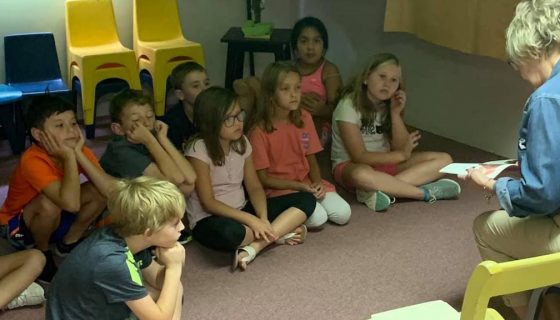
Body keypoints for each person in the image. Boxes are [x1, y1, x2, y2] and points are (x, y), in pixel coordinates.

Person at [467, 1, 560, 318]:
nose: (517, 69)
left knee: (486, 228)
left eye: (514, 60)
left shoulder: (547, 99)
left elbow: (542, 194)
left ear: (531, 48)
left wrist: (494, 185)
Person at [185, 86, 315, 271]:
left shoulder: (242, 142)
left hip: (242, 209)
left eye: (239, 115)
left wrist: (262, 218)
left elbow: (254, 187)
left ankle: (256, 246)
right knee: (230, 234)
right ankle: (279, 234)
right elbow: (208, 202)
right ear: (211, 121)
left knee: (306, 199)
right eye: (229, 119)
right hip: (210, 218)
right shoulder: (198, 149)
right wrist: (253, 221)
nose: (238, 122)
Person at [0, 95, 113, 281]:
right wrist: (70, 157)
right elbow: (71, 204)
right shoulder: (32, 159)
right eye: (60, 126)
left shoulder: (78, 149)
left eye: (74, 123)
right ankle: (42, 250)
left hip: (60, 214)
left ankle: (68, 242)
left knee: (97, 189)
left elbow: (110, 190)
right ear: (38, 135)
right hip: (19, 226)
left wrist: (78, 154)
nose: (71, 131)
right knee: (48, 204)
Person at [331, 53, 460, 212]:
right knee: (361, 174)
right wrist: (400, 156)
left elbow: (400, 146)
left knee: (445, 160)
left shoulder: (388, 105)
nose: (387, 84)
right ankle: (423, 193)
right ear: (366, 78)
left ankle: (380, 189)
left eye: (394, 80)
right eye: (382, 76)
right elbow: (359, 156)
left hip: (385, 163)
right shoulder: (348, 105)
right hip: (352, 166)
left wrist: (395, 114)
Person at [46, 176, 185, 320]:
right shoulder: (113, 261)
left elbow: (157, 279)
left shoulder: (131, 235)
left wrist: (172, 265)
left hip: (91, 307)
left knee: (173, 288)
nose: (182, 227)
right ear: (148, 232)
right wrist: (174, 267)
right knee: (170, 292)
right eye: (175, 223)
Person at [249, 62, 351, 229]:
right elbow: (264, 179)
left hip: (306, 183)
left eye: (297, 88)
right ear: (270, 94)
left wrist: (317, 182)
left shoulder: (304, 117)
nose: (294, 94)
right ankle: (286, 223)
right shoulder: (259, 131)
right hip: (280, 191)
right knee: (319, 218)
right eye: (285, 89)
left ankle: (294, 218)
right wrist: (298, 186)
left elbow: (310, 157)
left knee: (343, 213)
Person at [291, 16, 343, 146]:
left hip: (319, 124)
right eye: (304, 41)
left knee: (306, 139)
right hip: (293, 120)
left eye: (316, 41)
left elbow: (340, 111)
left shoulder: (329, 70)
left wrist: (322, 110)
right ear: (295, 47)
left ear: (324, 46)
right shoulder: (289, 69)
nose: (310, 47)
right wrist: (298, 102)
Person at [164, 61, 210, 151]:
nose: (204, 90)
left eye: (206, 84)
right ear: (180, 94)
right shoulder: (172, 124)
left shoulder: (217, 113)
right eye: (196, 86)